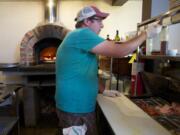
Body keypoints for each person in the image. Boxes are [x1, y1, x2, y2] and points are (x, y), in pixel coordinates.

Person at [55, 5, 161, 135]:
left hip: (76, 105)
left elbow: (88, 73)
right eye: (99, 20)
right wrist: (146, 34)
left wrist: (103, 90)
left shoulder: (77, 37)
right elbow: (120, 51)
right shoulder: (82, 34)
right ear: (87, 22)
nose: (102, 25)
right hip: (75, 107)